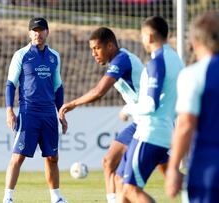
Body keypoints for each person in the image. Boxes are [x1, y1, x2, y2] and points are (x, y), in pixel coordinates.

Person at [58, 27, 144, 203]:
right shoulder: (120, 60)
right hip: (140, 121)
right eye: (91, 49)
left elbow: (99, 91)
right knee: (108, 163)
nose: (93, 54)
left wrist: (72, 104)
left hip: (150, 123)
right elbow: (138, 93)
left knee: (162, 174)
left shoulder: (121, 60)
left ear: (110, 46)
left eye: (96, 48)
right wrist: (128, 109)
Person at [116, 16, 183, 203]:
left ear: (150, 36)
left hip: (150, 132)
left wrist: (128, 109)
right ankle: (206, 188)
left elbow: (150, 104)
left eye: (142, 36)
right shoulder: (175, 59)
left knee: (130, 190)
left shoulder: (158, 61)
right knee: (121, 183)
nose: (142, 40)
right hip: (162, 131)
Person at [3, 17, 67, 203]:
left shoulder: (54, 56)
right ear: (29, 33)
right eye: (34, 30)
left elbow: (58, 87)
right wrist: (9, 110)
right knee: (18, 157)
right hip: (28, 113)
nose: (38, 34)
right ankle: (8, 198)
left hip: (48, 114)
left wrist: (60, 112)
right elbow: (10, 84)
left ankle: (56, 198)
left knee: (52, 157)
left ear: (47, 32)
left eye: (41, 30)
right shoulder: (21, 55)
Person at [165, 12, 219, 203]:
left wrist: (172, 168)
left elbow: (186, 125)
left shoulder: (193, 75)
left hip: (208, 169)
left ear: (195, 41)